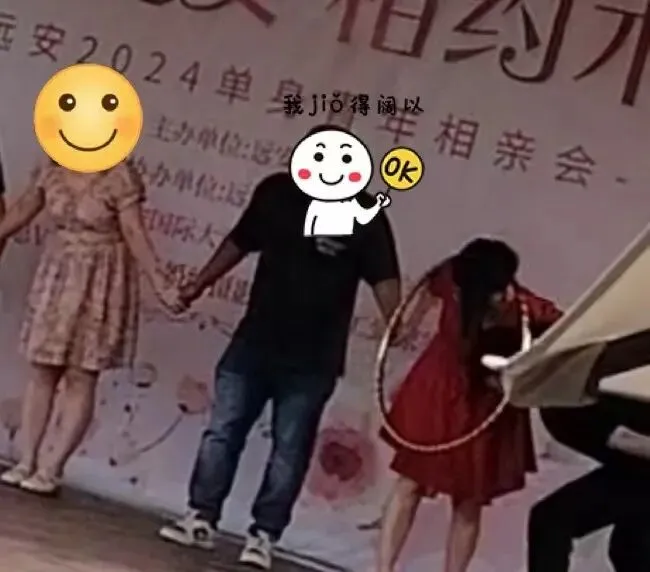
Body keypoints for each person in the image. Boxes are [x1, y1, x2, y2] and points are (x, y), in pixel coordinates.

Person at [157, 124, 401, 570]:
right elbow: (239, 242)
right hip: (254, 340)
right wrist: (198, 284)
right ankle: (200, 517)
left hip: (314, 357)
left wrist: (394, 324)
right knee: (222, 430)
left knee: (290, 448)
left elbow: (384, 277)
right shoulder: (276, 194)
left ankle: (263, 535)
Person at [377, 238, 562, 572]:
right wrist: (412, 322)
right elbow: (430, 283)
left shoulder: (524, 307)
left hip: (484, 402)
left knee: (468, 500)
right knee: (410, 482)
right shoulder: (453, 279)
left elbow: (561, 330)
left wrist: (521, 371)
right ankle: (382, 569)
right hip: (438, 391)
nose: (507, 291)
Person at [0, 158, 179, 495]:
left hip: (101, 278)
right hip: (57, 272)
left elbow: (134, 232)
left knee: (81, 374)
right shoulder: (51, 168)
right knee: (42, 368)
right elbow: (24, 208)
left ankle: (51, 468)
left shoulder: (120, 176)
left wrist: (160, 282)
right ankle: (26, 460)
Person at [528, 332, 650, 572]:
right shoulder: (566, 403)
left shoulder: (578, 401)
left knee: (553, 520)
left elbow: (625, 440)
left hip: (639, 463)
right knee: (631, 545)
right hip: (636, 465)